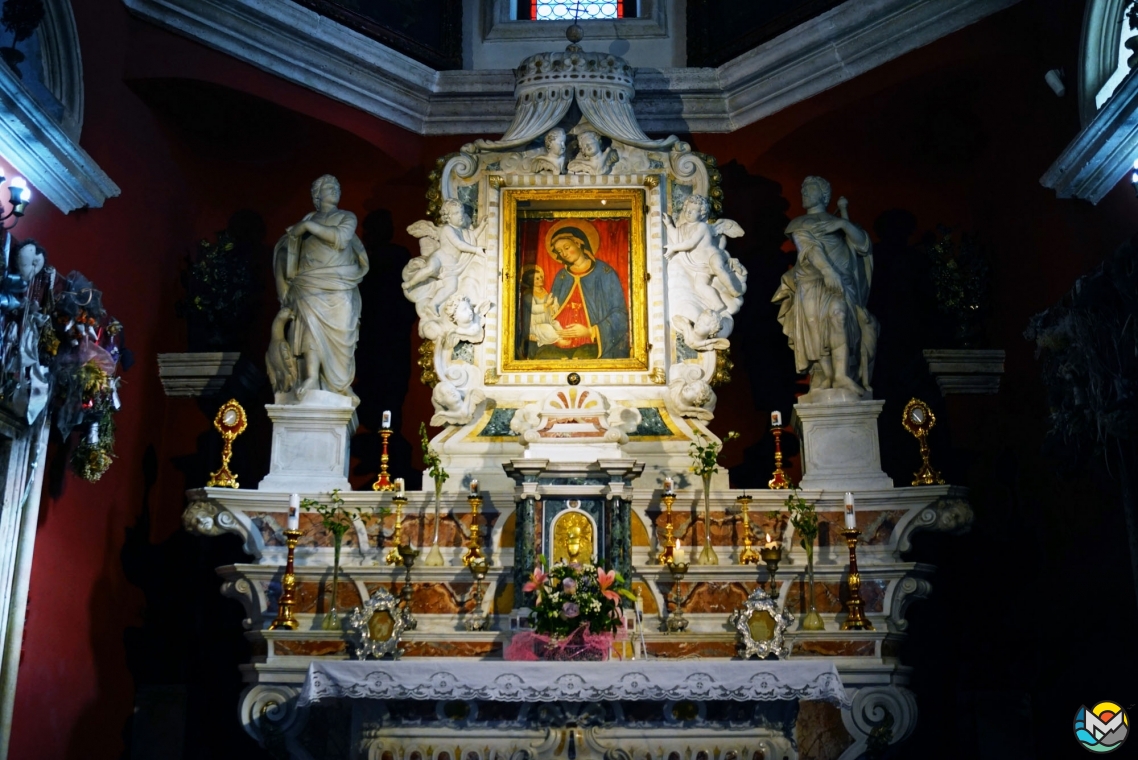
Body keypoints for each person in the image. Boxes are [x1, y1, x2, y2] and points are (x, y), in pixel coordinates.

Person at [772, 176, 878, 396]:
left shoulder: (838, 223)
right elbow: (809, 248)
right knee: (815, 329)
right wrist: (827, 271)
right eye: (802, 190)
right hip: (810, 281)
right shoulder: (799, 224)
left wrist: (843, 223)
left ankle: (841, 375)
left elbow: (863, 246)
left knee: (838, 316)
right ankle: (825, 374)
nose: (804, 193)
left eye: (809, 189)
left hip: (841, 282)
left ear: (824, 195)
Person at [269, 174, 369, 402]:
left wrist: (307, 226)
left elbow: (342, 239)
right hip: (309, 283)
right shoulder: (306, 221)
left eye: (337, 186)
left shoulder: (346, 217)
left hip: (340, 284)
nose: (334, 189)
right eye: (328, 186)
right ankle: (311, 377)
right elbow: (285, 253)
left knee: (343, 332)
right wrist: (283, 282)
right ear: (317, 194)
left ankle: (341, 386)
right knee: (310, 329)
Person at [534, 224, 630, 360]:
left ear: (578, 243)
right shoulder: (561, 276)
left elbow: (620, 315)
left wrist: (590, 331)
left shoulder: (604, 273)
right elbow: (551, 312)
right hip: (559, 342)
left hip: (592, 343)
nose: (564, 254)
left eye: (567, 248)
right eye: (560, 251)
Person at [517, 265, 561, 358]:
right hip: (534, 325)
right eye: (537, 278)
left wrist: (554, 305)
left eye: (541, 277)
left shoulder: (545, 292)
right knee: (547, 329)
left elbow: (550, 308)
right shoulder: (528, 294)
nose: (541, 279)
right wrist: (547, 304)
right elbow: (534, 309)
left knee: (557, 324)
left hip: (547, 321)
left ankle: (561, 344)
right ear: (531, 281)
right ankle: (560, 342)